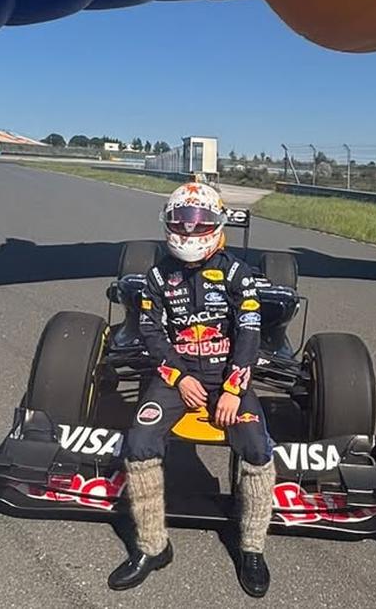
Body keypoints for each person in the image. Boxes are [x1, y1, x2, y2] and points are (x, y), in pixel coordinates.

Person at [108, 180, 276, 598]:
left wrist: (234, 388)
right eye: (181, 220)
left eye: (199, 221)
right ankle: (152, 547)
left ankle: (252, 548)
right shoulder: (156, 277)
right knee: (139, 442)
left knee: (257, 446)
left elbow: (250, 333)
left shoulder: (238, 274)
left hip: (227, 377)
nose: (189, 229)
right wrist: (180, 378)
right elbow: (151, 333)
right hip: (175, 376)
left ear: (217, 224)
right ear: (168, 222)